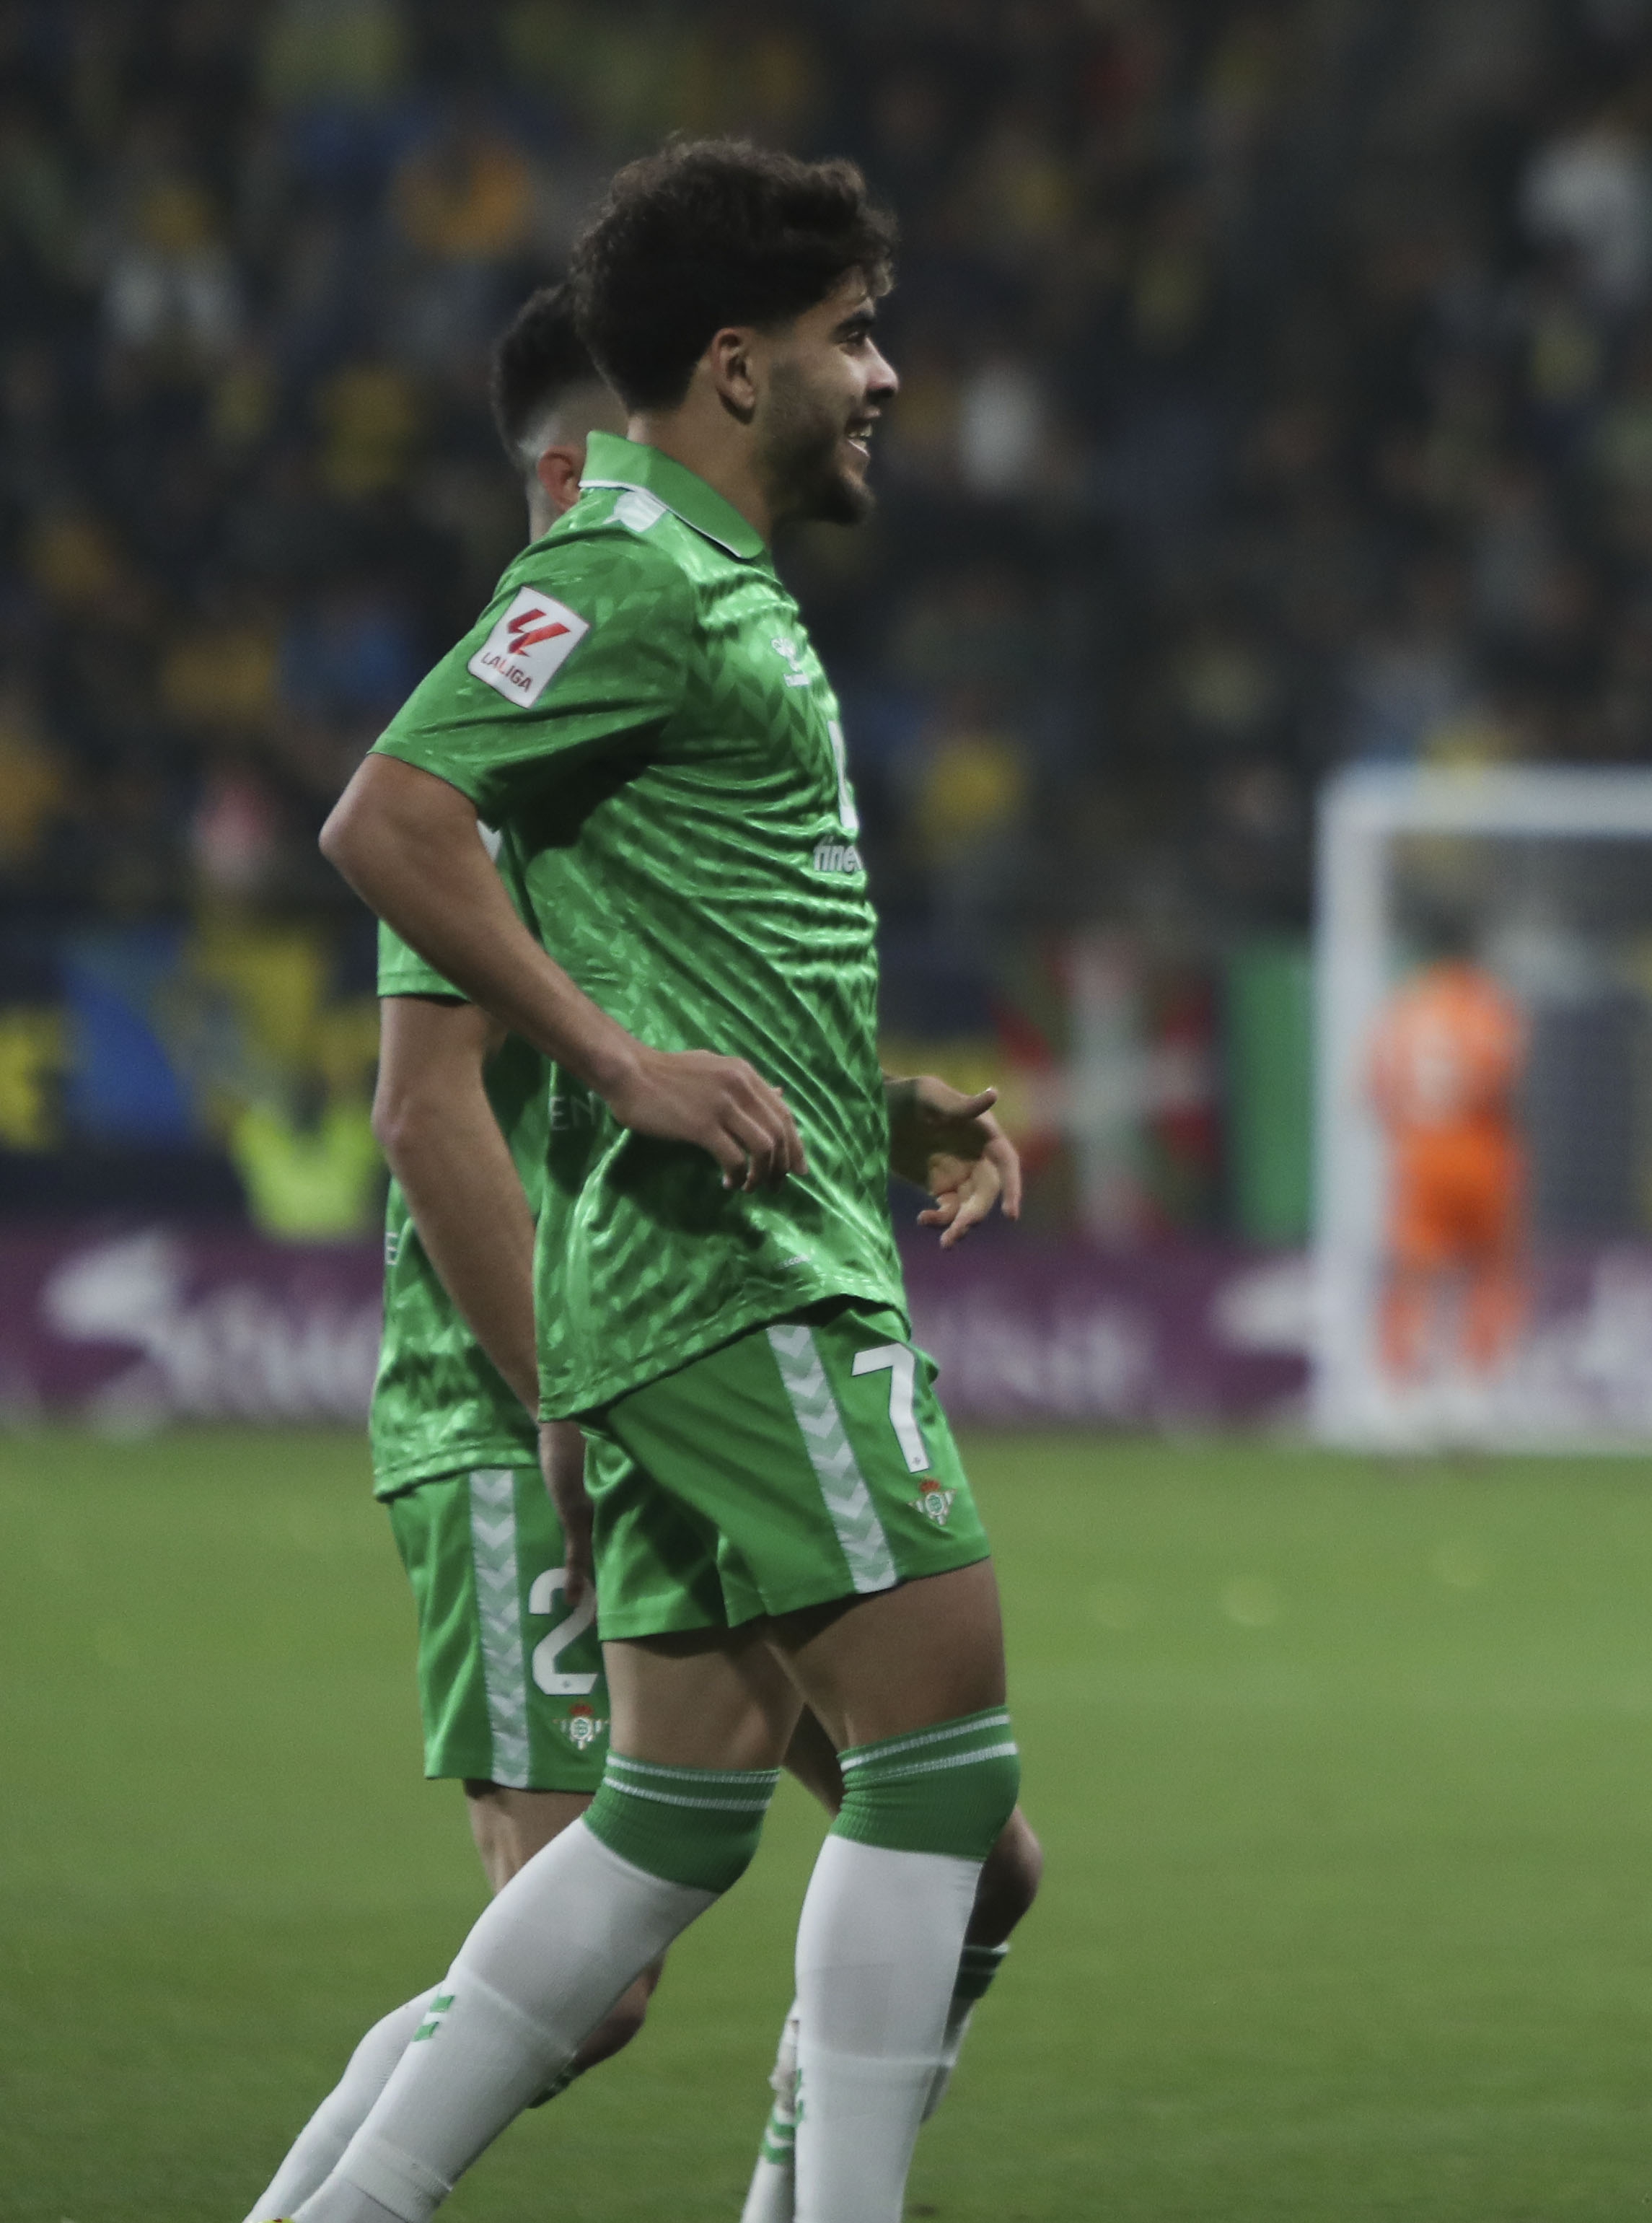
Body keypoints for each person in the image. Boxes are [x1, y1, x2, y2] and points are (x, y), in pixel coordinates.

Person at [244, 279, 1045, 2223]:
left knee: (865, 1847)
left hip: (654, 1319)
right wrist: (558, 1410)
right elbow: (433, 1109)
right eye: (844, 338)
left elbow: (699, 1021)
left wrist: (873, 1106)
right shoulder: (551, 682)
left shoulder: (679, 652)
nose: (879, 378)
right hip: (567, 1357)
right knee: (862, 1819)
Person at [1367, 916, 1526, 1387]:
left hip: (1420, 1156)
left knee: (1412, 1273)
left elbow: (1374, 1087)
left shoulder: (1406, 1007)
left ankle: (1398, 1390)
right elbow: (1502, 1080)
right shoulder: (1488, 1005)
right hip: (1479, 1154)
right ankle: (1474, 1387)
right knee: (1491, 1269)